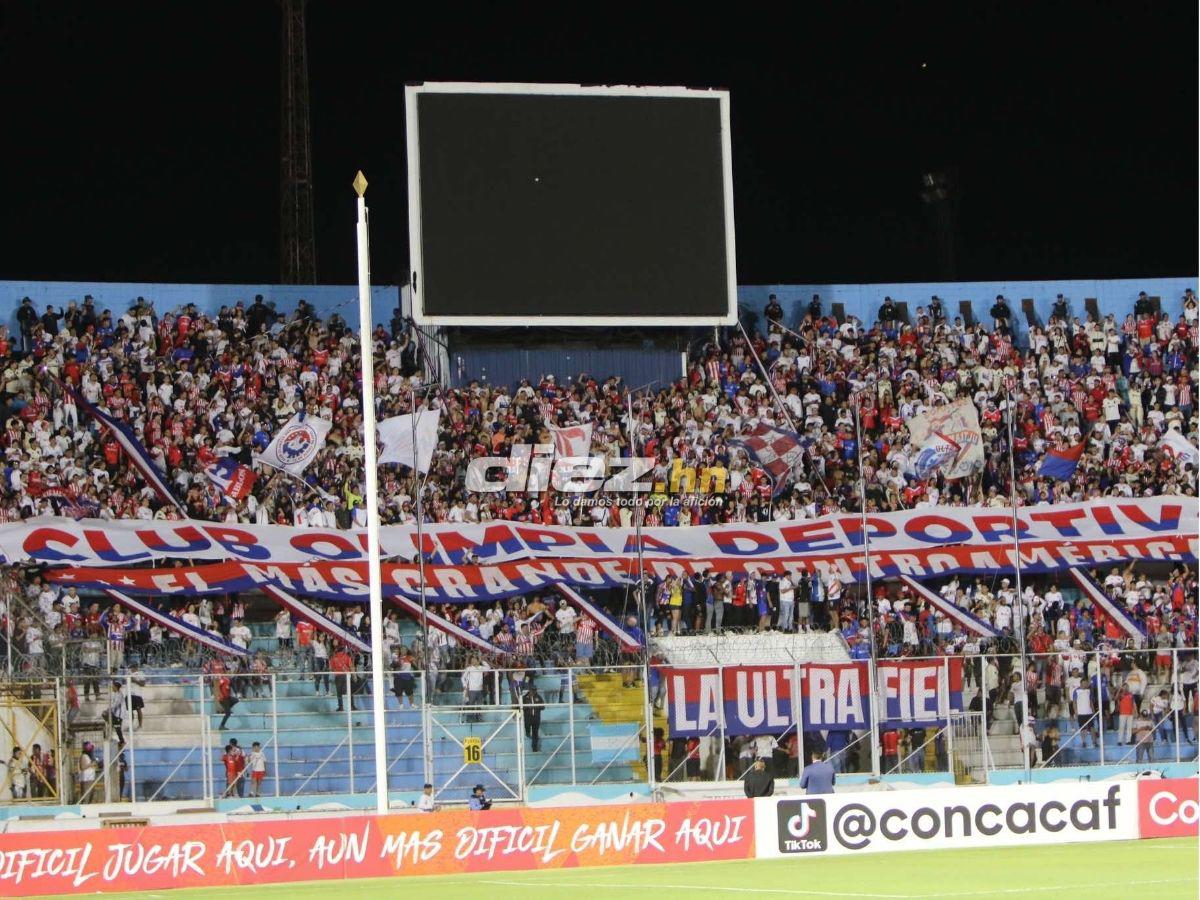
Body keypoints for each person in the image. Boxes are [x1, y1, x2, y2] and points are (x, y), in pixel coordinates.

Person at [521, 683, 543, 752]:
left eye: (535, 690)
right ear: (529, 690)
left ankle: (534, 748)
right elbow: (521, 707)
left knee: (535, 733)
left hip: (536, 717)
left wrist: (537, 707)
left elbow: (543, 706)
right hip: (528, 717)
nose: (533, 691)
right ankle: (527, 732)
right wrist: (527, 707)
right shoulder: (525, 697)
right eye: (532, 690)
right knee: (527, 727)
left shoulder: (538, 697)